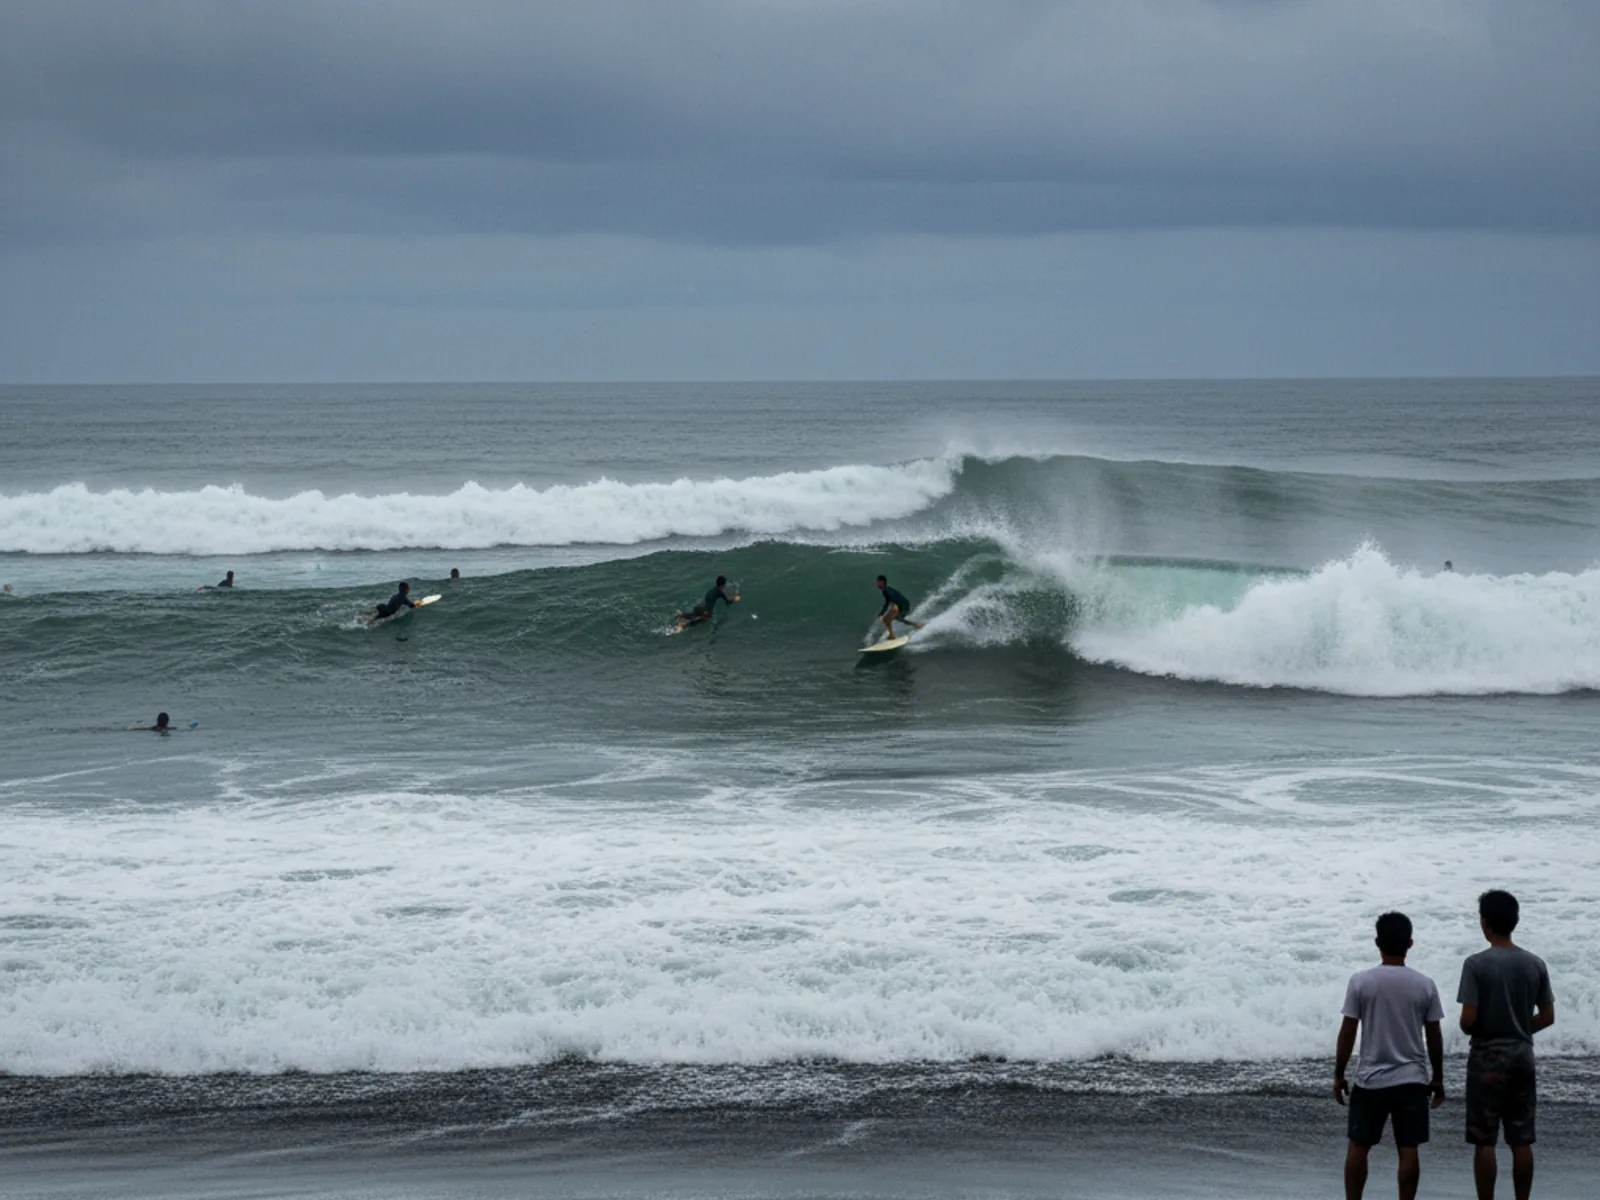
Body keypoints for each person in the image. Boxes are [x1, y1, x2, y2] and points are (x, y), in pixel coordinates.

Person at [1334, 912, 1446, 1200]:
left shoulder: (1361, 982)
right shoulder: (1424, 984)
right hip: (1412, 1079)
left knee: (1359, 1147)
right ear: (1410, 943)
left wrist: (1339, 1074)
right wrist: (1438, 1078)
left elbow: (1347, 1032)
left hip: (1370, 1079)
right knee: (1408, 1149)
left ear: (1377, 943)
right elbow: (1434, 1035)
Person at [1458, 890, 1555, 1200]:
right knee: (1521, 1138)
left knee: (1484, 1140)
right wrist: (1518, 1027)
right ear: (1514, 921)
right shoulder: (1535, 963)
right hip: (1522, 1054)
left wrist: (1478, 1026)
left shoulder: (1476, 964)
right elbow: (1548, 1016)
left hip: (1487, 1056)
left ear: (1484, 923)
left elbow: (1468, 1019)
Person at [875, 575, 924, 642]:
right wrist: (882, 613)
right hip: (902, 605)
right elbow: (888, 602)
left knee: (897, 617)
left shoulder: (886, 590)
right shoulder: (886, 590)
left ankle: (917, 624)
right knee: (886, 620)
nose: (876, 583)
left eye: (877, 582)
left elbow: (890, 601)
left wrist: (886, 612)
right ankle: (892, 635)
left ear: (882, 582)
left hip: (903, 606)